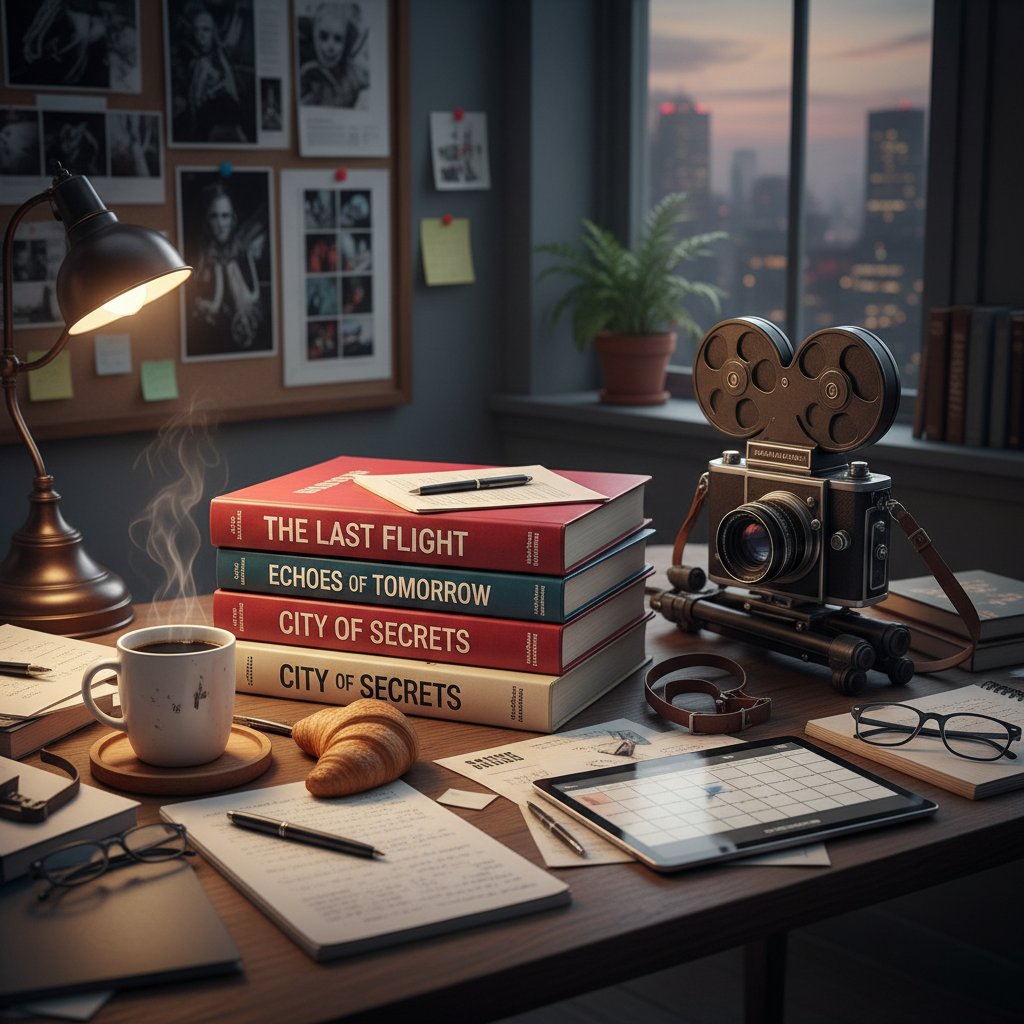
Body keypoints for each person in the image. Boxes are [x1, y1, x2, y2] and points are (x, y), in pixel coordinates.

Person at [189, 183, 264, 354]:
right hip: (212, 349)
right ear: (207, 220)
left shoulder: (243, 257)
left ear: (233, 219)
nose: (221, 223)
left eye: (225, 216)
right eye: (214, 216)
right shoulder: (200, 261)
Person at [299, 3, 369, 108]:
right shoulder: (307, 73)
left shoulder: (354, 75)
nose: (330, 46)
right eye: (324, 37)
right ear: (315, 37)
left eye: (338, 39)